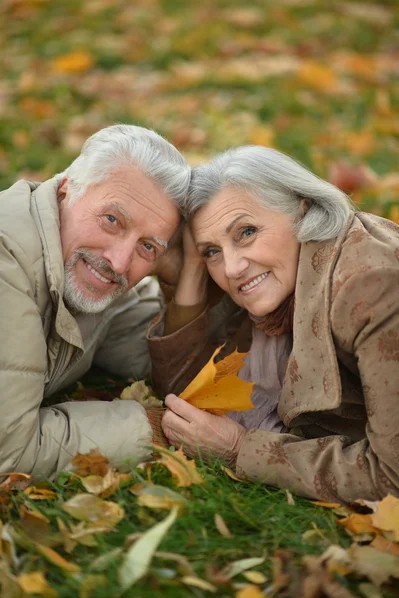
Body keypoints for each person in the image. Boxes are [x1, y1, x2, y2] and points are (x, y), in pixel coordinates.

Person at [147, 145, 399, 503]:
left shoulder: (370, 288)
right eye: (212, 251)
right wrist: (191, 269)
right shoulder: (281, 289)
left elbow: (391, 477)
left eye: (246, 232)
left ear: (302, 209)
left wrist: (241, 449)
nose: (232, 269)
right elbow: (188, 393)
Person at [0, 124, 191, 480]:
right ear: (65, 190)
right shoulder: (7, 259)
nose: (119, 262)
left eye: (147, 246)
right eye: (112, 220)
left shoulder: (93, 282)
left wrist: (187, 276)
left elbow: (170, 361)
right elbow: (8, 451)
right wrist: (155, 428)